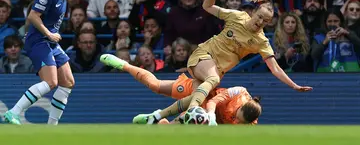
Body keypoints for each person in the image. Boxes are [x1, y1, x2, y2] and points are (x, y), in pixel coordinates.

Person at [114, 0, 312, 125]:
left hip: (212, 75)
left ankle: (157, 117)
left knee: (167, 89)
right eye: (259, 16)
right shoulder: (237, 16)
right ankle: (193, 111)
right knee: (211, 82)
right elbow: (207, 6)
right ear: (254, 12)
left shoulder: (261, 41)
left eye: (265, 21)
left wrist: (293, 85)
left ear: (268, 23)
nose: (259, 22)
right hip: (203, 56)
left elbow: (275, 68)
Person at [3, 0, 78, 125]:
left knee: (68, 82)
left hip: (50, 42)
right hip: (38, 40)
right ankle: (13, 112)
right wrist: (49, 34)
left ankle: (51, 128)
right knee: (51, 82)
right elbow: (33, 16)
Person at [100, 54, 261, 125]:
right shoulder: (239, 92)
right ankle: (125, 65)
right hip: (202, 94)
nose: (236, 121)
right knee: (156, 85)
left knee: (170, 131)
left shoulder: (249, 124)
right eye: (236, 116)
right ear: (240, 107)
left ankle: (157, 120)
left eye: (240, 122)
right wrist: (210, 117)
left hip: (204, 120)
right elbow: (212, 102)